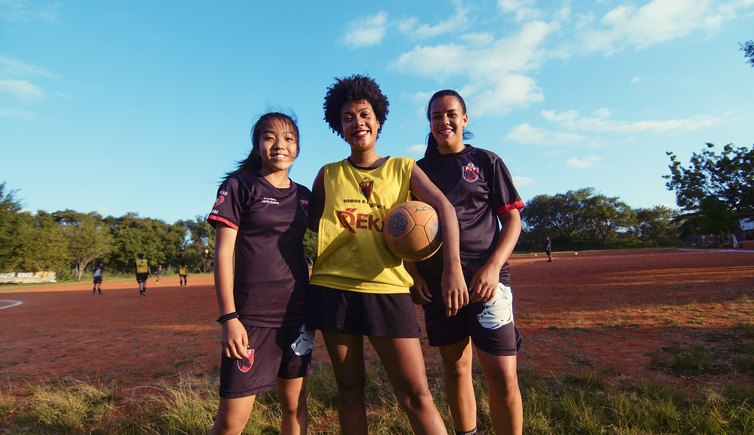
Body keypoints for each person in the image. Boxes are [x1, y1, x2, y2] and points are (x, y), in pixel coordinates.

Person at [307, 74, 467, 435]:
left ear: (378, 119)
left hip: (388, 289)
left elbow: (445, 210)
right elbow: (303, 222)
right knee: (349, 391)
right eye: (348, 117)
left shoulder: (405, 168)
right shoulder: (328, 175)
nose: (357, 122)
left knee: (415, 394)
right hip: (334, 291)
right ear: (339, 126)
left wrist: (451, 267)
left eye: (364, 114)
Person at [406, 90, 525, 435]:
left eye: (451, 114)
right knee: (456, 369)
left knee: (502, 376)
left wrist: (492, 268)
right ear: (429, 122)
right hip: (439, 285)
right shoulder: (418, 171)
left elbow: (513, 220)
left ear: (464, 119)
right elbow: (403, 224)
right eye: (436, 116)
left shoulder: (487, 162)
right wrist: (415, 274)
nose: (444, 121)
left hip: (486, 282)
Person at [207, 112, 314, 435]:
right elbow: (223, 253)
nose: (279, 145)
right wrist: (229, 317)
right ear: (256, 145)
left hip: (297, 317)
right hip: (250, 318)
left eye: (288, 138)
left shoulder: (305, 196)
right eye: (269, 137)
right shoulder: (240, 187)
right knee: (231, 421)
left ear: (297, 148)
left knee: (295, 407)